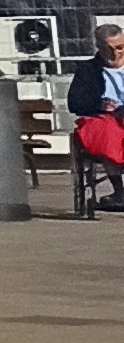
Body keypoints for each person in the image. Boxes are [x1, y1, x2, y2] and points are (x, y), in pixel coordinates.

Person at [75, 20, 124, 217]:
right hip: (103, 118)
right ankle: (119, 192)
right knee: (107, 134)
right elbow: (75, 103)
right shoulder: (87, 70)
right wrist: (99, 105)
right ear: (99, 47)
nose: (115, 53)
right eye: (108, 49)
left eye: (120, 47)